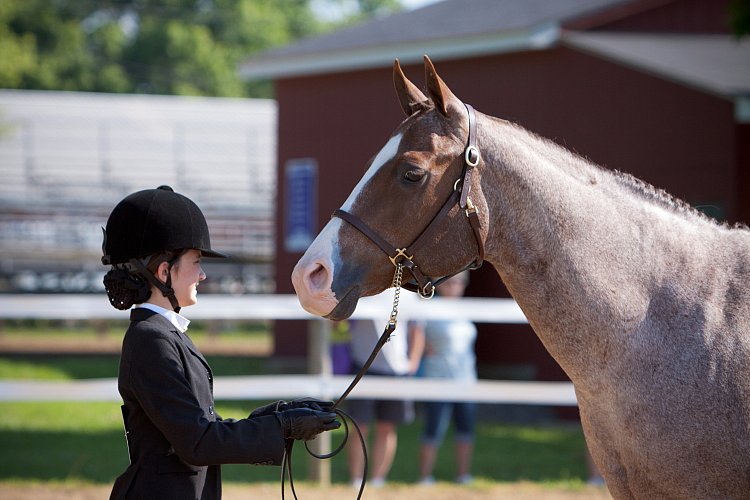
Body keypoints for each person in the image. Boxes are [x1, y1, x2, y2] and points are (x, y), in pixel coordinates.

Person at [102, 186, 340, 500]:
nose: (202, 275)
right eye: (196, 262)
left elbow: (200, 427)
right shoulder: (151, 340)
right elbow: (199, 442)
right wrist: (283, 426)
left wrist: (277, 415)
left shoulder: (165, 334)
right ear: (163, 271)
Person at [412, 272, 477, 485]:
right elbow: (416, 335)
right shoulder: (429, 308)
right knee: (433, 429)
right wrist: (423, 349)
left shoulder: (469, 309)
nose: (454, 286)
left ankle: (463, 475)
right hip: (437, 379)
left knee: (465, 429)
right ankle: (424, 476)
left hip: (466, 381)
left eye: (459, 282)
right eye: (449, 282)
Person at [346, 316, 424, 487]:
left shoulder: (406, 292)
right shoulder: (364, 290)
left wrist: (412, 363)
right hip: (364, 365)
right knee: (359, 426)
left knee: (387, 427)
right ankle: (356, 479)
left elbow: (417, 329)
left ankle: (377, 480)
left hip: (397, 369)